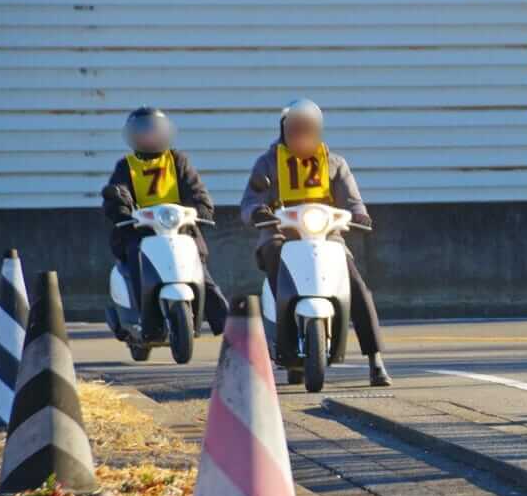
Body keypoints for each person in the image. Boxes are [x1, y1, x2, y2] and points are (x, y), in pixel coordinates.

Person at [239, 99, 391, 386]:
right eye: (295, 128)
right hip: (280, 234)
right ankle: (284, 346)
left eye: (307, 128)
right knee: (276, 266)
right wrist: (257, 212)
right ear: (284, 129)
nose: (301, 134)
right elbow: (250, 199)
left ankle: (375, 360)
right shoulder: (267, 163)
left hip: (326, 235)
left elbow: (353, 199)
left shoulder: (334, 163)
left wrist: (360, 215)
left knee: (356, 286)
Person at [101, 106, 229, 335]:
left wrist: (200, 209)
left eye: (153, 131)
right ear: (132, 136)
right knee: (135, 258)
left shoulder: (178, 161)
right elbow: (116, 193)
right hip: (140, 231)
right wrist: (120, 208)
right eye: (142, 132)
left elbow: (196, 190)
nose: (148, 137)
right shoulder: (125, 166)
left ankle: (228, 326)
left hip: (180, 229)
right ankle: (143, 320)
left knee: (200, 270)